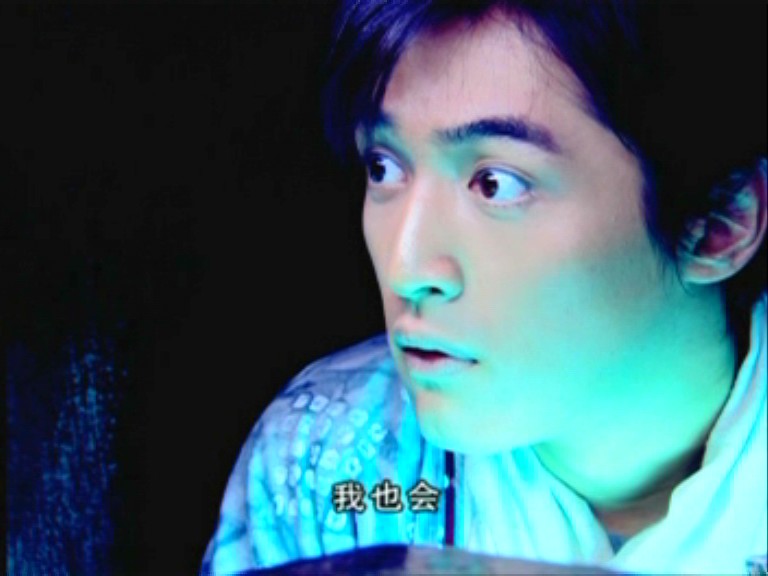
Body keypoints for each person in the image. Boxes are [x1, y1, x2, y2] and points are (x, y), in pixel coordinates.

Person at [201, 1, 767, 573]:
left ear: (721, 224)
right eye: (383, 168)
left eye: (495, 184)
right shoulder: (325, 456)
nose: (407, 270)